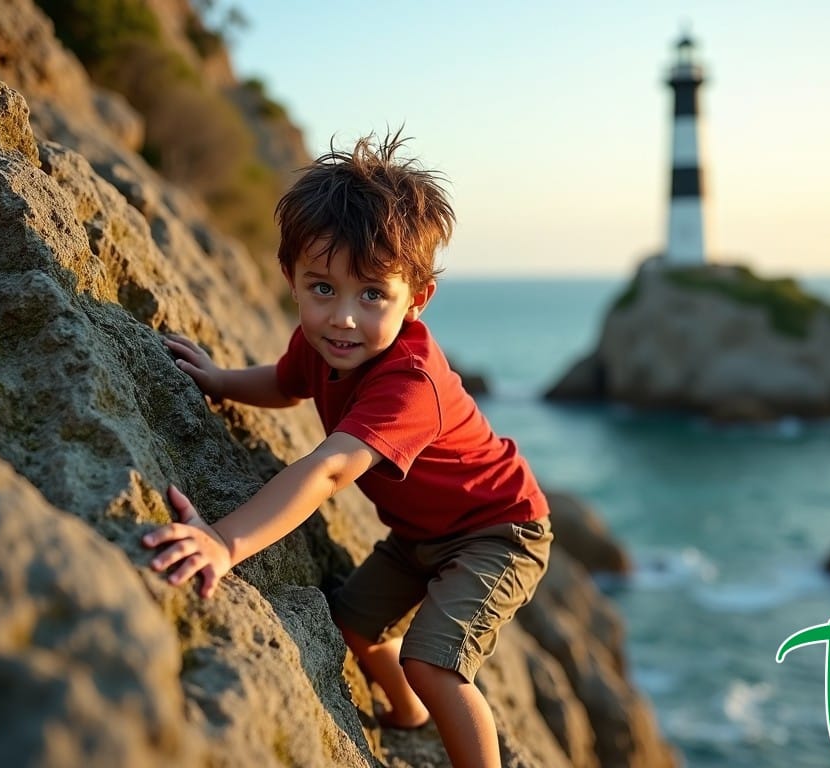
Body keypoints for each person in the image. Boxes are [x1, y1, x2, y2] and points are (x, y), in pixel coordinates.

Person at [142, 132, 552, 768]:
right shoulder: (325, 341)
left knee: (432, 660)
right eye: (322, 288)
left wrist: (225, 543)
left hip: (497, 530)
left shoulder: (409, 383)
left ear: (416, 297)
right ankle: (408, 712)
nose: (344, 318)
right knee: (354, 624)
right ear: (291, 278)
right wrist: (220, 380)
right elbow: (284, 383)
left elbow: (331, 468)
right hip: (419, 533)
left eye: (372, 295)